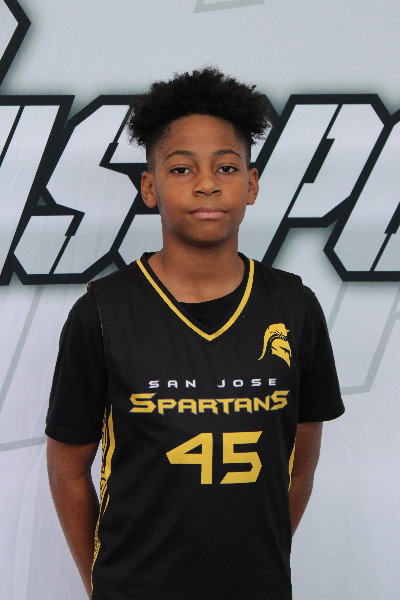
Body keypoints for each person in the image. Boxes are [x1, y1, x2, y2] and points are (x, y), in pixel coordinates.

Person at [46, 66, 344, 600]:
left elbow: (299, 466)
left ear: (251, 184)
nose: (207, 183)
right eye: (182, 169)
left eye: (226, 167)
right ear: (150, 187)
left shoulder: (295, 307)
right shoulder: (101, 314)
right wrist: (104, 585)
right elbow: (67, 471)